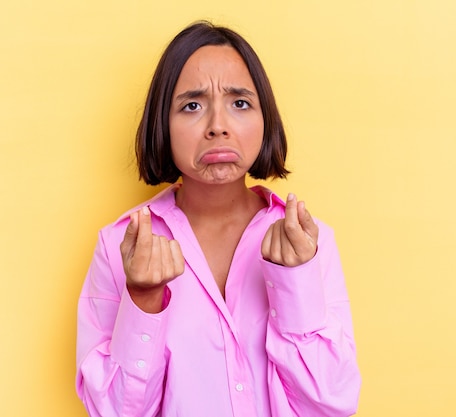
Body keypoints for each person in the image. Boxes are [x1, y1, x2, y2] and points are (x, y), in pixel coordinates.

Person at [76, 21, 361, 417]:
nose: (217, 126)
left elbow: (331, 404)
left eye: (240, 103)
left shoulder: (308, 246)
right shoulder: (118, 246)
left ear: (266, 119)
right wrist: (142, 299)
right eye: (192, 105)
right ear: (163, 123)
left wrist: (296, 284)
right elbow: (115, 412)